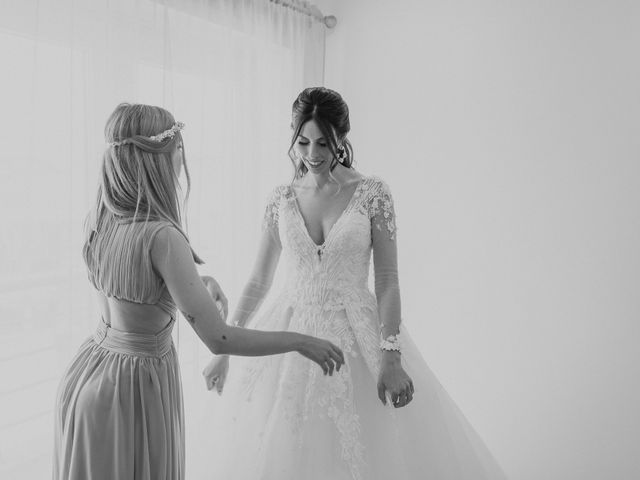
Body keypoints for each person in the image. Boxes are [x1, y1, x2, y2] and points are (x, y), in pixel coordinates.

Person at [197, 87, 507, 479]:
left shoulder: (372, 193)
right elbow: (259, 280)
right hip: (288, 336)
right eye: (303, 142)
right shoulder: (280, 199)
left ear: (342, 137)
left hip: (357, 337)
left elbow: (388, 281)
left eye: (324, 142)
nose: (312, 154)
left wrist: (390, 355)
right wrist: (225, 348)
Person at [52, 103, 345, 480]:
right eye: (179, 151)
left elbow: (131, 289)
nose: (182, 160)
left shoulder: (100, 220)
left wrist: (196, 283)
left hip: (88, 376)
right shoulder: (162, 236)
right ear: (159, 160)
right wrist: (302, 341)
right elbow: (219, 338)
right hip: (132, 390)